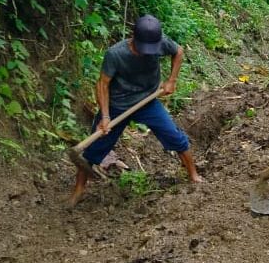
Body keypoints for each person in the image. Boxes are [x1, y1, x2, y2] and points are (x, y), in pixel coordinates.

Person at [69, 15, 202, 206]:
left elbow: (178, 52)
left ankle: (193, 175)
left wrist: (171, 80)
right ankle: (78, 190)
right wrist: (105, 115)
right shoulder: (115, 54)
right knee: (92, 150)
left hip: (148, 101)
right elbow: (102, 84)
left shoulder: (160, 42)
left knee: (174, 136)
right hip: (118, 105)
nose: (148, 53)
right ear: (134, 38)